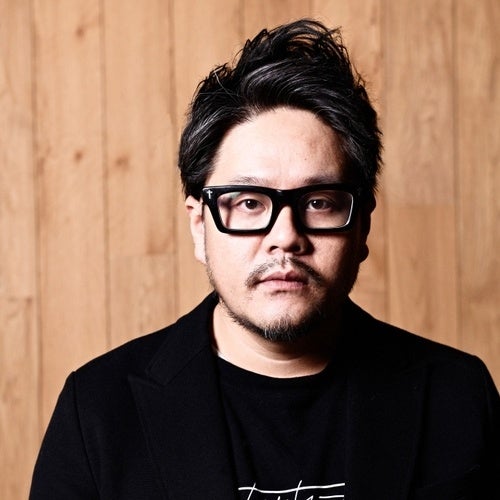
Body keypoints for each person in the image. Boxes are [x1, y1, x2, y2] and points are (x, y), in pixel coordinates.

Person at [30, 19, 499, 499]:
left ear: (361, 226)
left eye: (318, 202)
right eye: (250, 203)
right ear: (200, 226)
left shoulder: (458, 395)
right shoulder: (100, 410)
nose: (285, 237)